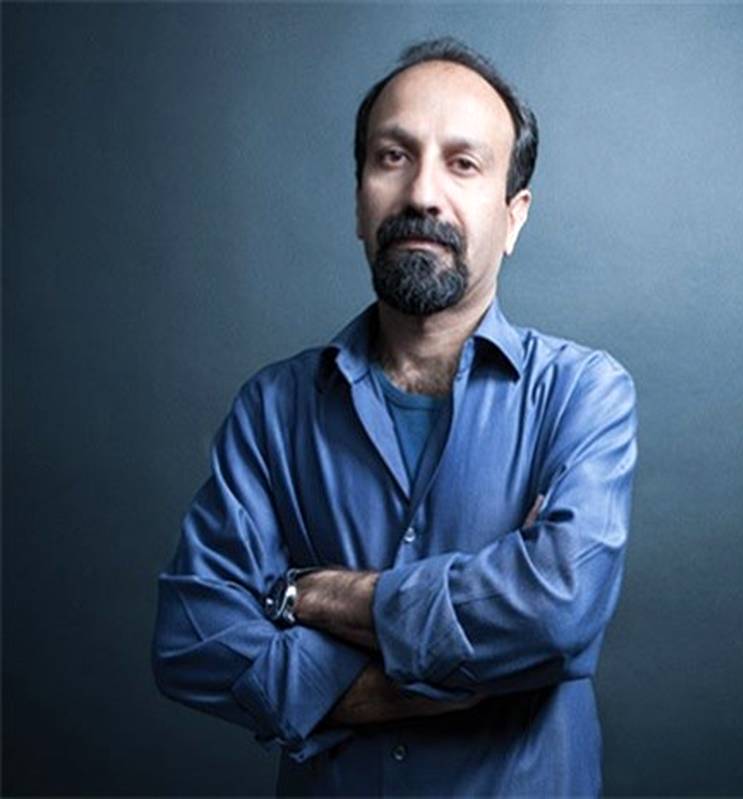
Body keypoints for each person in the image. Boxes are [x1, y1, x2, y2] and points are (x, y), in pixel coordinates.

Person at [151, 37, 637, 796]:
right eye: (392, 157)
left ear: (514, 217)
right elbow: (193, 637)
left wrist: (313, 596)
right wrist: (426, 678)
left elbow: (557, 611)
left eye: (463, 164)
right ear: (358, 201)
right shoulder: (273, 410)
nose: (422, 195)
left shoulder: (582, 395)